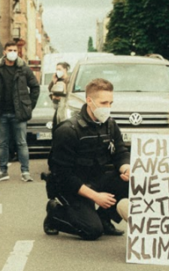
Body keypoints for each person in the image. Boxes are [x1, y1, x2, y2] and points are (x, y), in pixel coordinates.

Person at [43, 78, 130, 240]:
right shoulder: (68, 130)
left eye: (111, 103)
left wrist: (125, 167)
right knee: (92, 231)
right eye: (104, 103)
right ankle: (55, 215)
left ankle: (104, 219)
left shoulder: (110, 125)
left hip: (96, 178)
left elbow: (120, 152)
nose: (108, 108)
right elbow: (63, 175)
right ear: (89, 101)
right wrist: (95, 197)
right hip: (71, 186)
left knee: (131, 181)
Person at [0, 40, 40, 182]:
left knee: (21, 143)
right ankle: (3, 170)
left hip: (18, 113)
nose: (12, 53)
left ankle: (25, 172)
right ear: (4, 52)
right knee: (3, 143)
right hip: (1, 113)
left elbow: (35, 87)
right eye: (10, 50)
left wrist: (29, 105)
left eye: (15, 51)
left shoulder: (24, 68)